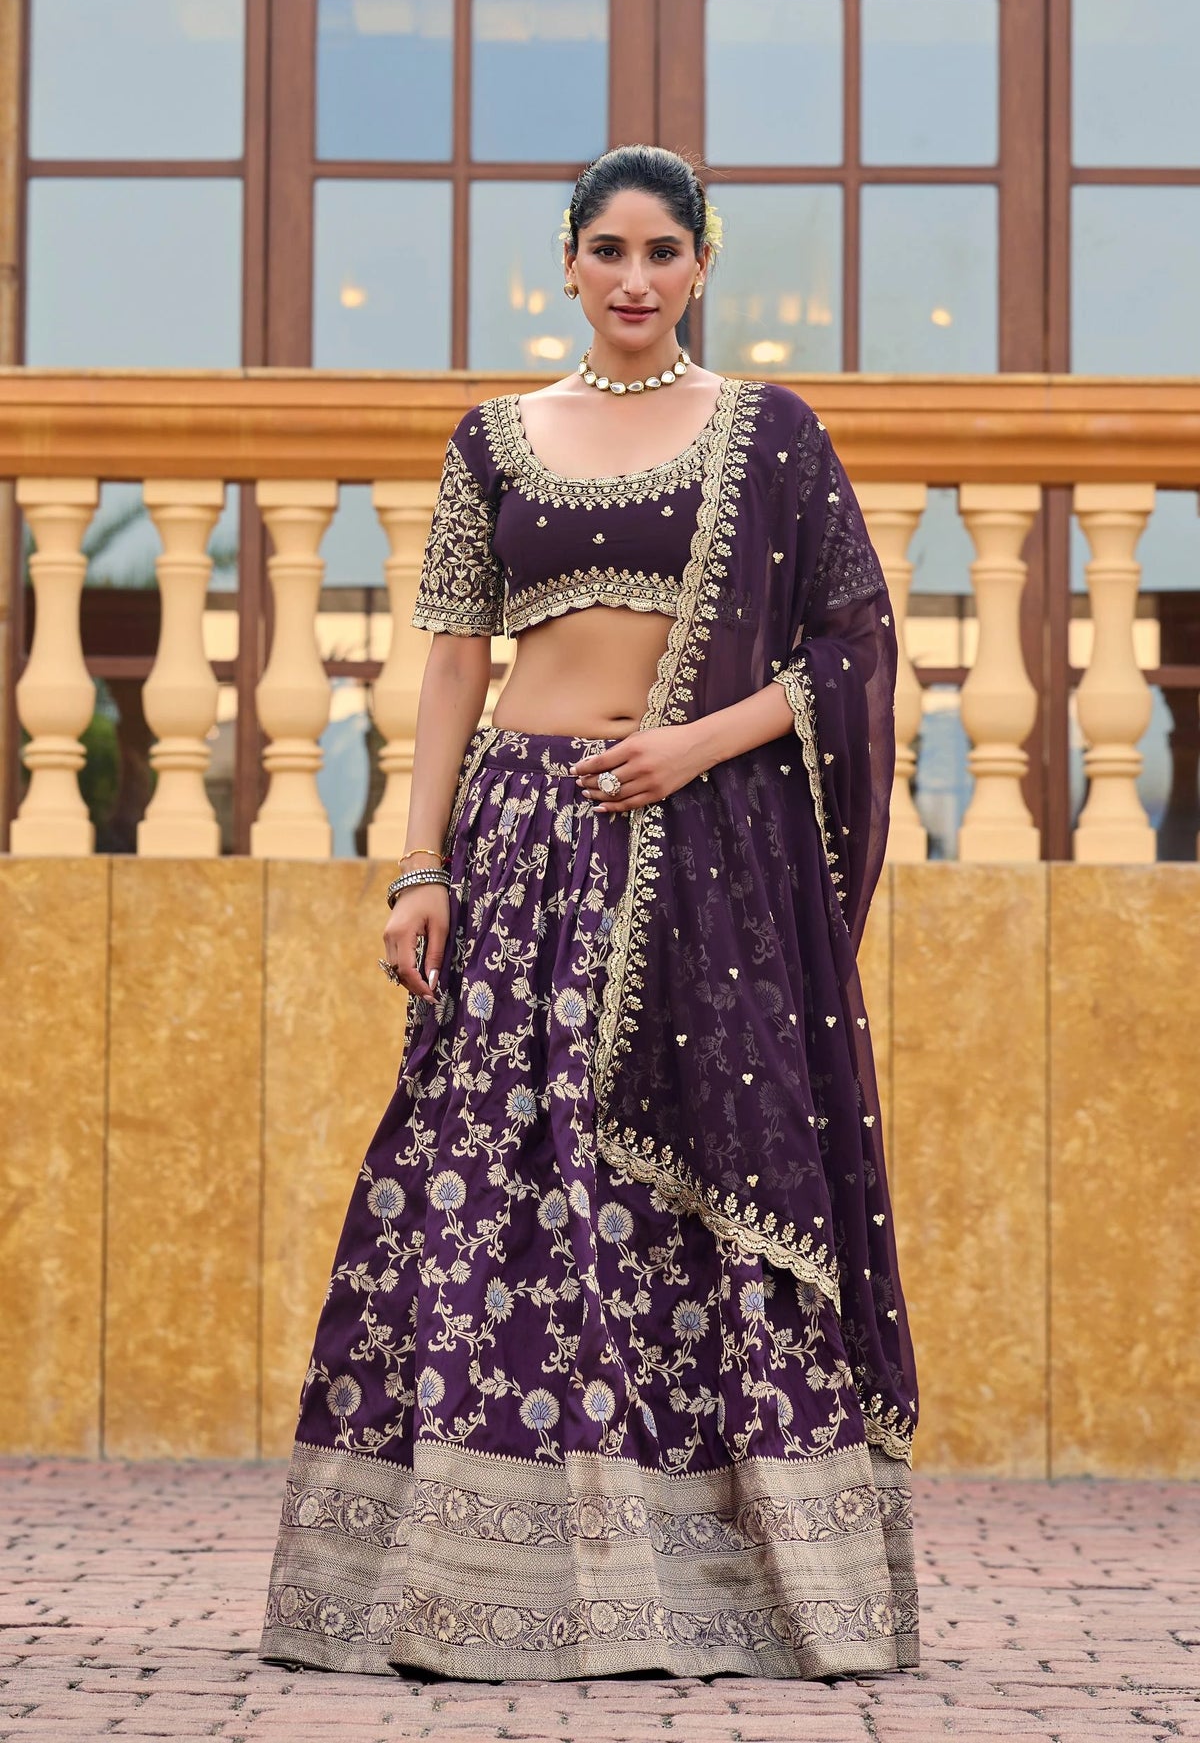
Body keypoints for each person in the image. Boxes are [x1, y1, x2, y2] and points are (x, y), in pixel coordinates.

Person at [260, 144, 918, 1681]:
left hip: (705, 856)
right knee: (497, 1197)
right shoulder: (493, 441)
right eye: (608, 248)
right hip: (521, 853)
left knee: (698, 1219)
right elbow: (448, 663)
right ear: (567, 262)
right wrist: (419, 862)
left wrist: (693, 743)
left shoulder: (771, 435)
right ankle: (478, 1584)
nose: (635, 278)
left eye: (664, 253)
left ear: (702, 268)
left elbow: (852, 646)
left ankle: (720, 1591)